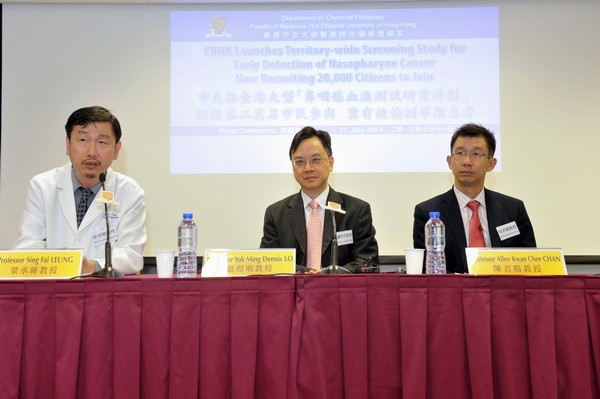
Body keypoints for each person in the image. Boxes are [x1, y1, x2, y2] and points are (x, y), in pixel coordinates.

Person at [13, 106, 147, 275]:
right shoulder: (42, 186)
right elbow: (25, 248)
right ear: (68, 145)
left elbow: (131, 255)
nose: (92, 152)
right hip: (52, 291)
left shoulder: (130, 192)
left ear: (116, 150)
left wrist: (90, 266)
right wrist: (59, 262)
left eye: (102, 142)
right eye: (83, 140)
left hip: (103, 293)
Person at [413, 123, 536, 274]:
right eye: (460, 153)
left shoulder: (513, 210)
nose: (467, 161)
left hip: (503, 294)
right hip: (452, 295)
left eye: (476, 154)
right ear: (449, 162)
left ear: (491, 164)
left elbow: (530, 263)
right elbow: (426, 272)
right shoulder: (427, 212)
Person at [260, 126, 378, 273]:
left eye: (315, 160)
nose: (308, 168)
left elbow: (365, 262)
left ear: (331, 163)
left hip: (341, 294)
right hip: (294, 293)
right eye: (300, 162)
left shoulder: (356, 210)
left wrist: (329, 274)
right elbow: (270, 262)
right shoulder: (276, 213)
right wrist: (308, 274)